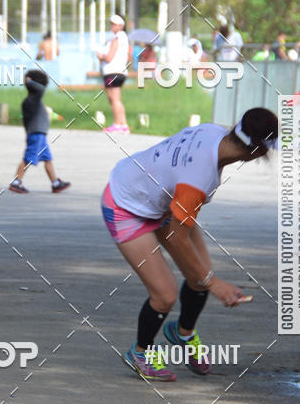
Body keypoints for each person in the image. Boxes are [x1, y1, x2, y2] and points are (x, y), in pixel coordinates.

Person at [102, 108, 278, 381]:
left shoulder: (213, 131)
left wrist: (205, 278)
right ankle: (140, 354)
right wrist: (214, 283)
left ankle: (182, 333)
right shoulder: (198, 180)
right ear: (255, 152)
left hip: (157, 200)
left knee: (199, 276)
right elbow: (176, 236)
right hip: (124, 204)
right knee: (166, 295)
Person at [9, 69, 70, 194]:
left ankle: (55, 183)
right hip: (36, 135)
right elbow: (40, 89)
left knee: (47, 159)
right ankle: (16, 182)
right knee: (28, 158)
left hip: (39, 135)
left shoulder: (33, 100)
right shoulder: (32, 100)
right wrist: (29, 81)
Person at [97, 14, 130, 133]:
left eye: (114, 24)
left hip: (112, 72)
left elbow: (109, 57)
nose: (112, 26)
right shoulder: (123, 38)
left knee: (114, 99)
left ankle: (117, 124)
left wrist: (101, 56)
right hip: (119, 71)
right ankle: (123, 124)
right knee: (116, 99)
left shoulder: (117, 38)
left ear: (121, 26)